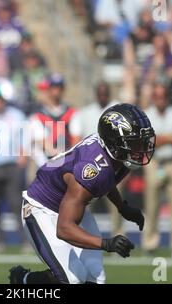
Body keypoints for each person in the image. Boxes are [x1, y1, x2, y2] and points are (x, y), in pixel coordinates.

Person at [9, 103, 155, 284]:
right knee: (73, 278)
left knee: (96, 276)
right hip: (42, 209)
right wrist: (106, 243)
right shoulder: (92, 168)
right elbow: (64, 228)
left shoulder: (117, 156)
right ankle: (24, 280)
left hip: (71, 204)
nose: (141, 148)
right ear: (114, 142)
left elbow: (107, 180)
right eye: (134, 143)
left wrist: (122, 206)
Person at [69, 82, 124, 237]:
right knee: (83, 203)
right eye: (100, 93)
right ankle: (80, 235)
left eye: (105, 93)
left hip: (113, 165)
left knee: (117, 204)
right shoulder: (86, 113)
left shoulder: (117, 111)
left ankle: (118, 235)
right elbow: (77, 141)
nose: (103, 96)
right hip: (89, 166)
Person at [143, 84, 172, 256]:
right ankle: (150, 244)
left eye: (163, 96)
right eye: (158, 96)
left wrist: (160, 138)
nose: (161, 100)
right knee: (151, 206)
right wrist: (169, 138)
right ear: (154, 98)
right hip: (155, 163)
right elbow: (147, 141)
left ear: (167, 97)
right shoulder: (147, 115)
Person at [0, 85, 27, 250]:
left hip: (12, 165)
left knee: (17, 203)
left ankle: (25, 240)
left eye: (0, 99)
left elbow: (25, 136)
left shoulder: (16, 115)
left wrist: (23, 156)